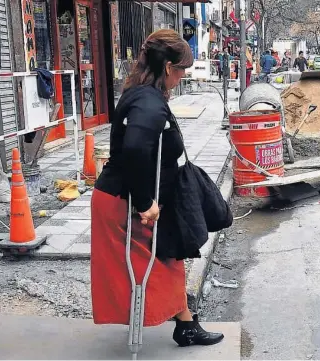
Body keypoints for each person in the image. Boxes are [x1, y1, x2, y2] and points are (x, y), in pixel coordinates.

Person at [90, 29, 224, 347]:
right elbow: (135, 149)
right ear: (168, 68)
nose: (182, 77)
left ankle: (186, 324)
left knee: (169, 258)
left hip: (122, 197)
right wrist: (145, 202)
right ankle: (183, 324)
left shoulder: (141, 93)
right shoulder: (148, 101)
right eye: (182, 70)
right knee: (161, 263)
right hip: (124, 202)